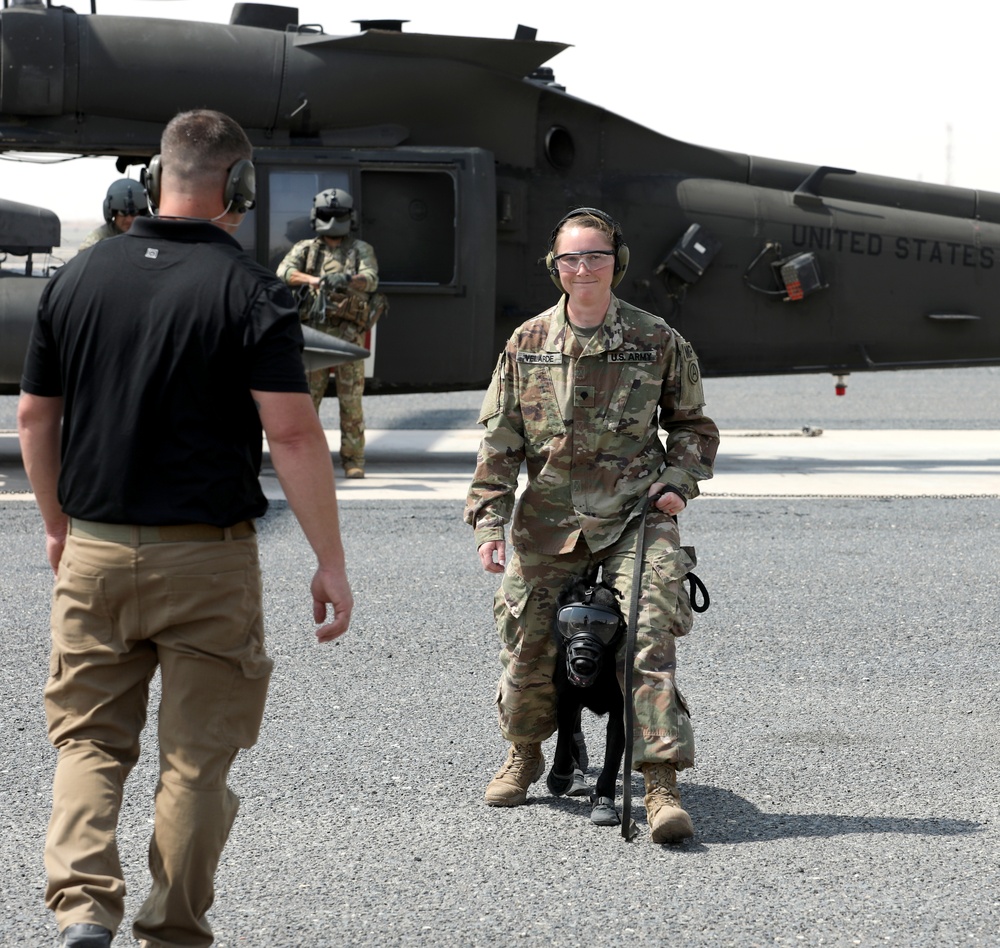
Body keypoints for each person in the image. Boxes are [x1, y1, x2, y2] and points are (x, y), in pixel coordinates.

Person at [18, 109, 353, 948]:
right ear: (237, 187)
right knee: (196, 760)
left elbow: (33, 417)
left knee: (90, 741)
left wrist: (59, 526)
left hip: (93, 549)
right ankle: (171, 927)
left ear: (159, 177)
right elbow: (294, 433)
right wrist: (329, 561)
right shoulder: (252, 293)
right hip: (206, 563)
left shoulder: (77, 279)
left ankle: (84, 912)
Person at [464, 207, 719, 844]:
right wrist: (489, 521)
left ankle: (659, 781)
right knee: (528, 642)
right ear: (556, 267)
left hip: (634, 517)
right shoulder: (526, 344)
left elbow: (693, 428)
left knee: (648, 637)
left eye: (596, 256)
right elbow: (498, 444)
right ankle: (526, 752)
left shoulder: (655, 340)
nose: (583, 268)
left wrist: (677, 483)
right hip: (548, 522)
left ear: (616, 263)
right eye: (571, 258)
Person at [276, 188, 379, 479]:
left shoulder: (360, 249)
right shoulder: (307, 248)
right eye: (327, 215)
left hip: (348, 334)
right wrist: (316, 280)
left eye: (338, 215)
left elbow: (371, 279)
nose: (332, 221)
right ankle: (308, 459)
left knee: (351, 401)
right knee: (309, 401)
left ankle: (353, 459)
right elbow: (284, 272)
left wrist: (346, 279)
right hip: (315, 336)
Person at [78, 179, 148, 250]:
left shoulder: (148, 235)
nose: (129, 220)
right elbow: (84, 256)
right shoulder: (99, 237)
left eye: (134, 213)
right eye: (122, 212)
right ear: (112, 213)